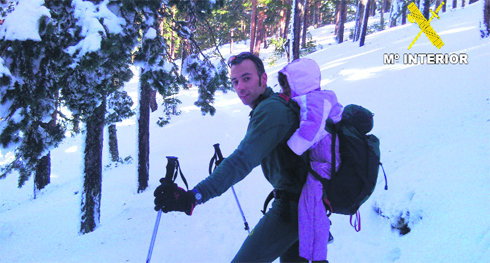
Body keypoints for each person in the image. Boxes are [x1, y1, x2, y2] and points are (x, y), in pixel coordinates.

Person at [153, 52, 309, 262]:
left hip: (295, 207)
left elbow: (242, 161)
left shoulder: (272, 110)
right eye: (235, 81)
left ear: (263, 78)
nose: (240, 87)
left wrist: (194, 197)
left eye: (246, 78)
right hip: (303, 203)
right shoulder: (273, 105)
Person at [278, 58, 343, 262]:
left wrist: (288, 149)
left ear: (300, 82)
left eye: (288, 85)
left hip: (325, 164)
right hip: (326, 161)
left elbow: (309, 132)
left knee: (310, 209)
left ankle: (316, 257)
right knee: (312, 208)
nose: (286, 91)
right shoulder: (321, 98)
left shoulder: (313, 100)